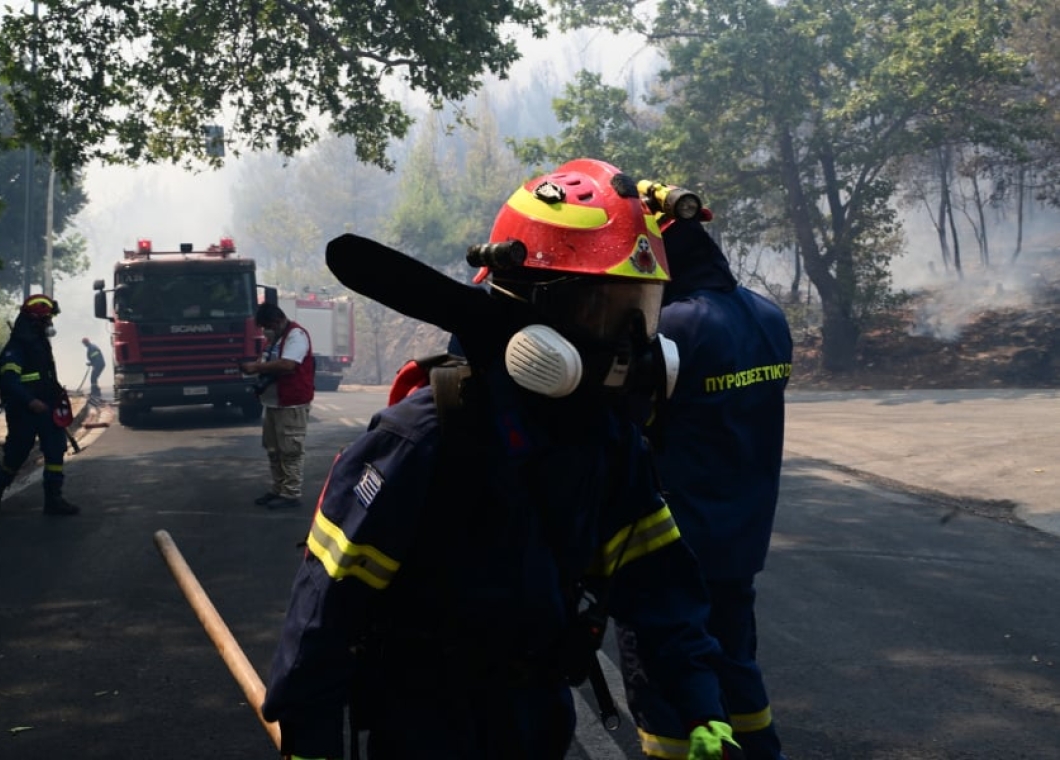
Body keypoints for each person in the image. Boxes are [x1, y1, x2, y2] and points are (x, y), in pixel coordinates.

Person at [261, 159, 744, 760]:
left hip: (536, 716)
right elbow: (326, 605)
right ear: (526, 309)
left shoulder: (608, 440)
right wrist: (308, 739)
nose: (627, 347)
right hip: (425, 721)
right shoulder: (424, 439)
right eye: (602, 311)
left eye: (639, 313)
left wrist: (701, 706)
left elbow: (659, 585)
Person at [647, 187, 794, 760]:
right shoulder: (768, 315)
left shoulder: (675, 328)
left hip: (677, 541)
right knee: (735, 661)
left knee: (669, 679)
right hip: (742, 536)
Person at [0, 294, 80, 516]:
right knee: (16, 455)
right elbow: (9, 381)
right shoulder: (15, 348)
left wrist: (57, 393)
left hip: (47, 408)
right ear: (36, 320)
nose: (50, 324)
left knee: (55, 450)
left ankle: (53, 499)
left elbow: (45, 376)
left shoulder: (40, 344)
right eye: (47, 320)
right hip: (23, 412)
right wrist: (30, 401)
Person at [239, 303, 314, 509]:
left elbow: (288, 365)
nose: (265, 331)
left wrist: (256, 367)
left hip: (291, 403)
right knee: (273, 449)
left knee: (290, 450)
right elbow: (267, 363)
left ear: (279, 320)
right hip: (273, 402)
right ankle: (278, 488)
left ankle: (291, 493)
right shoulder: (274, 340)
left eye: (268, 326)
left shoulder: (296, 336)